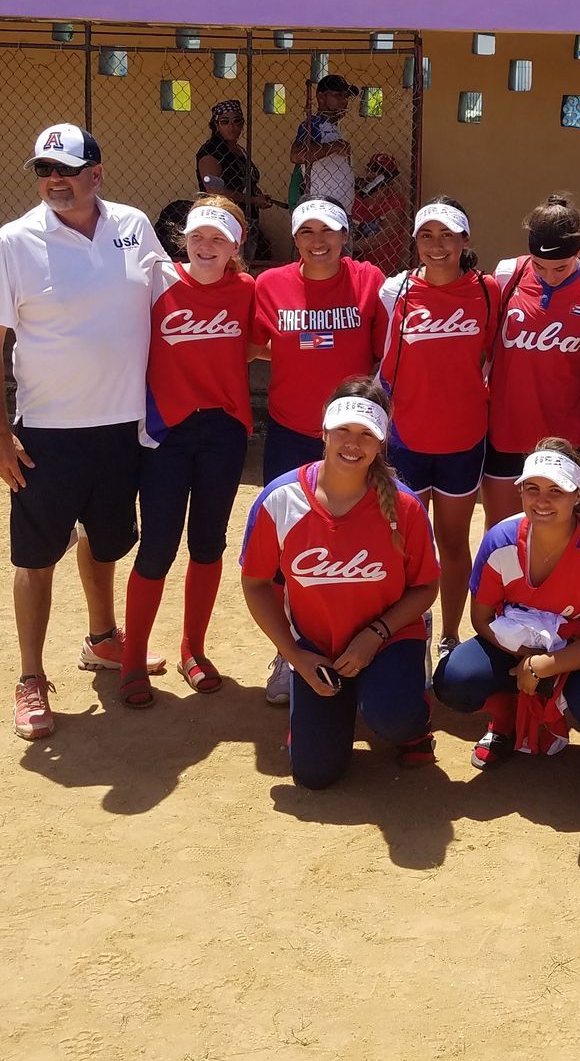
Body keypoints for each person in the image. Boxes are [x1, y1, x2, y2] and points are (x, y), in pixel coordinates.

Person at [0, 124, 168, 742]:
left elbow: (177, 296)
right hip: (47, 434)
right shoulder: (13, 241)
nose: (54, 179)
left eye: (66, 168)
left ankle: (102, 639)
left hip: (122, 426)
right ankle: (30, 679)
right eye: (44, 169)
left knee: (108, 541)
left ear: (96, 173)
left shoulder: (134, 226)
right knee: (34, 558)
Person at [238, 379, 440, 788]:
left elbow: (426, 587)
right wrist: (294, 654)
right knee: (315, 775)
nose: (353, 443)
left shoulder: (404, 508)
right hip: (318, 646)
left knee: (392, 716)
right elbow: (256, 583)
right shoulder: (280, 500)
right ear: (324, 431)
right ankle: (331, 704)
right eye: (344, 430)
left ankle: (406, 710)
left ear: (381, 442)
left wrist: (376, 634)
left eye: (367, 434)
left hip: (388, 636)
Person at [119, 198, 259, 707]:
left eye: (218, 239)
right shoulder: (157, 280)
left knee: (208, 542)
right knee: (157, 544)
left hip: (223, 432)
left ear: (234, 248)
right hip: (166, 433)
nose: (206, 246)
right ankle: (133, 657)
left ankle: (192, 649)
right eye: (198, 236)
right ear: (184, 239)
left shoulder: (246, 290)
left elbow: (269, 339)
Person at [433, 441, 580, 788]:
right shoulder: (500, 541)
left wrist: (546, 666)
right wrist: (527, 660)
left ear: (577, 495)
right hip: (518, 645)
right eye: (532, 489)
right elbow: (480, 620)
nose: (542, 501)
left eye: (556, 491)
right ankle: (505, 718)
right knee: (454, 680)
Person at [250, 197, 389, 702]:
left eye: (327, 231)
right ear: (295, 238)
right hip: (292, 430)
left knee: (359, 541)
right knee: (289, 550)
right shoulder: (270, 285)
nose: (318, 240)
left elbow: (385, 350)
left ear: (345, 235)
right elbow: (254, 343)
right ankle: (290, 654)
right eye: (306, 231)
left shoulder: (370, 281)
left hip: (354, 436)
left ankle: (377, 646)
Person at [377, 199, 499, 655]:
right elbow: (383, 367)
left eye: (447, 235)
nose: (436, 245)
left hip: (463, 440)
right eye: (426, 236)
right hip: (407, 438)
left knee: (451, 540)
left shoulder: (487, 290)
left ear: (465, 240)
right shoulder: (397, 291)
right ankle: (407, 634)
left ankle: (449, 635)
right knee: (405, 543)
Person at [483, 194, 580, 527]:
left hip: (564, 434)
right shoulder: (509, 274)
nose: (549, 275)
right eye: (540, 265)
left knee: (561, 532)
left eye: (561, 267)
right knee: (502, 532)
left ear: (579, 252)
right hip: (506, 430)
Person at [194, 100, 274, 261]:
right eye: (225, 121)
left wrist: (256, 195)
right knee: (229, 261)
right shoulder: (211, 151)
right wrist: (252, 200)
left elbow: (247, 182)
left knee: (245, 262)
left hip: (246, 216)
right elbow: (215, 191)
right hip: (223, 217)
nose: (232, 126)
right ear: (216, 125)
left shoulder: (239, 151)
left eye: (237, 121)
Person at [287, 74, 359, 214]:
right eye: (338, 95)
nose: (344, 102)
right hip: (322, 209)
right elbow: (296, 155)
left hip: (341, 210)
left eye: (346, 97)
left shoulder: (335, 129)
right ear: (321, 97)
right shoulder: (314, 124)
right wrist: (334, 146)